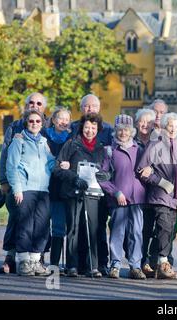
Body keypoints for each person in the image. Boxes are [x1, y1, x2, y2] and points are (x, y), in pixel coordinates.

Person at [0, 92, 48, 274]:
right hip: (20, 185)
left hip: (42, 187)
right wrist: (4, 181)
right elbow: (6, 157)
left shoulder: (48, 129)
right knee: (18, 220)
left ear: (44, 107)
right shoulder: (16, 127)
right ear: (26, 106)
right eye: (31, 102)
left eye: (39, 103)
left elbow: (50, 159)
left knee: (41, 223)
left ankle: (37, 259)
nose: (35, 105)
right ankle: (12, 258)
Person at [54, 113, 107, 278]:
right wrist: (74, 178)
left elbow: (107, 171)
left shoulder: (101, 148)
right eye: (86, 127)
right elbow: (57, 168)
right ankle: (72, 265)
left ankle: (93, 265)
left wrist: (105, 176)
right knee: (74, 229)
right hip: (73, 192)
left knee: (93, 229)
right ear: (81, 127)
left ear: (97, 129)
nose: (90, 131)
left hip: (93, 194)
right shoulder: (71, 144)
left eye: (93, 128)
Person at [137, 112, 177, 279]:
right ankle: (163, 263)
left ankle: (154, 264)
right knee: (164, 228)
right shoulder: (155, 145)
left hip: (175, 198)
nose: (173, 129)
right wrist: (160, 181)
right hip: (159, 195)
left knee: (168, 231)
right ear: (164, 127)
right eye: (170, 125)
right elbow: (141, 170)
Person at [6, 110, 55, 276]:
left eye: (38, 121)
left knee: (41, 227)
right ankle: (24, 262)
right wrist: (17, 189)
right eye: (31, 121)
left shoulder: (44, 142)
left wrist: (60, 163)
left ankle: (35, 261)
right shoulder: (18, 142)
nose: (34, 124)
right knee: (25, 226)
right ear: (26, 123)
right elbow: (11, 167)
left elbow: (50, 164)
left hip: (43, 190)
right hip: (25, 189)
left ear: (42, 124)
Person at [70, 94, 113, 275]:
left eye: (93, 106)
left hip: (99, 188)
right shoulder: (73, 128)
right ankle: (80, 263)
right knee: (78, 225)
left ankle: (101, 262)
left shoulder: (108, 129)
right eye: (86, 106)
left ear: (99, 108)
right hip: (77, 186)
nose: (90, 109)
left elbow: (112, 158)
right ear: (81, 108)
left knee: (98, 226)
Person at [99, 115, 147, 280]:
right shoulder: (109, 150)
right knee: (117, 232)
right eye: (120, 130)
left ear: (132, 131)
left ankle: (135, 266)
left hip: (137, 198)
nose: (123, 133)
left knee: (136, 233)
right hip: (118, 198)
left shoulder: (139, 149)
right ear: (115, 131)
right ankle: (115, 264)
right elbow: (102, 177)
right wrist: (115, 192)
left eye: (126, 130)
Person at [46, 108, 72, 271]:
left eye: (66, 119)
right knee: (41, 225)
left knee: (59, 225)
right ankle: (37, 259)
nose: (63, 122)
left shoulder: (71, 138)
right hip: (43, 183)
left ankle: (55, 264)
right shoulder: (43, 135)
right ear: (54, 120)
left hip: (62, 187)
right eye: (60, 118)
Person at [134, 108, 158, 277]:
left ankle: (150, 261)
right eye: (142, 121)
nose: (145, 125)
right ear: (136, 123)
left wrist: (152, 168)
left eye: (149, 122)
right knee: (140, 230)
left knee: (153, 228)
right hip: (136, 191)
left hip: (153, 192)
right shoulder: (131, 141)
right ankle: (139, 261)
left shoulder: (158, 142)